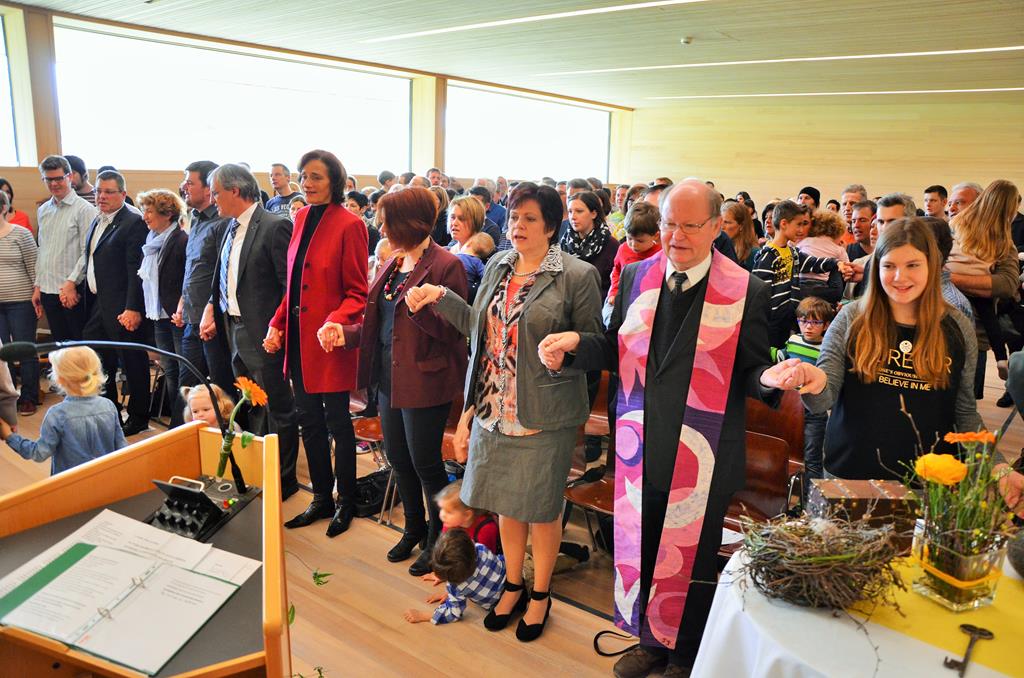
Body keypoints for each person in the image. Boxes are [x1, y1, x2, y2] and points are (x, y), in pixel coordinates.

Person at [545, 180, 813, 675]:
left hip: (704, 452)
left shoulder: (746, 290)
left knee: (694, 562)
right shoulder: (636, 276)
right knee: (644, 545)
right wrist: (575, 346)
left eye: (691, 225)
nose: (677, 235)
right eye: (670, 223)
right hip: (641, 442)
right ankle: (650, 641)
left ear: (715, 227)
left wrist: (772, 379)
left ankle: (685, 654)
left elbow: (750, 370)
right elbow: (616, 345)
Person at [405, 181, 603, 643]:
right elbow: (478, 329)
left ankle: (541, 594)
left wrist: (571, 347)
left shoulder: (577, 275)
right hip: (495, 409)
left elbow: (597, 344)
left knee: (542, 510)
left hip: (544, 415)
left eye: (530, 218)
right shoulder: (498, 264)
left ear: (551, 226)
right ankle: (513, 585)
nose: (518, 226)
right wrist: (439, 296)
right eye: (514, 217)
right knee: (508, 506)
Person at [328, 187, 466, 569]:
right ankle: (413, 527)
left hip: (425, 380)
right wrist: (346, 334)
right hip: (389, 376)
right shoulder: (393, 262)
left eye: (387, 221)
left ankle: (438, 539)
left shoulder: (446, 265)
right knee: (398, 459)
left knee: (425, 464)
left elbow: (455, 331)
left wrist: (423, 309)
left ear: (410, 223)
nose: (382, 227)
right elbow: (378, 323)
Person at [802, 217, 982, 480]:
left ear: (932, 265)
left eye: (913, 265)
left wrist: (997, 467)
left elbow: (965, 412)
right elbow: (821, 403)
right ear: (877, 267)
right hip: (849, 474)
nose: (900, 277)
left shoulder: (958, 327)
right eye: (889, 266)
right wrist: (814, 382)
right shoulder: (851, 318)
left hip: (927, 483)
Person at [265, 151, 367, 532]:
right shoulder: (301, 217)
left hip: (329, 341)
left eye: (316, 177)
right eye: (304, 175)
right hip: (299, 339)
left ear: (334, 181)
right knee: (308, 420)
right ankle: (321, 498)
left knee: (338, 422)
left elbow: (358, 293)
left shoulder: (350, 224)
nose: (307, 183)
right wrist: (276, 324)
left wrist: (334, 321)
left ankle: (347, 501)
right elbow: (293, 285)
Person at [200, 163, 301, 500]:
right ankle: (260, 470)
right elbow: (225, 278)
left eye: (216, 193)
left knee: (277, 407)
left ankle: (283, 480)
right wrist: (213, 309)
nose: (212, 199)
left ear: (234, 190)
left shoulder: (274, 226)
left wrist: (278, 327)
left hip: (263, 332)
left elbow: (289, 287)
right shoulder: (227, 228)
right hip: (233, 328)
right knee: (250, 403)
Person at [68, 170, 152, 436]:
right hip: (98, 303)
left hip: (123, 306)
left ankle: (139, 417)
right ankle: (110, 411)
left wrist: (133, 307)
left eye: (108, 192)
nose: (101, 196)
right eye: (98, 191)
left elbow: (135, 270)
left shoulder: (133, 222)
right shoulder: (98, 219)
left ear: (123, 194)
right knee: (97, 358)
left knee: (132, 362)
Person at [0, 346, 126, 475]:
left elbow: (39, 453)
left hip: (71, 484)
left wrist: (10, 436)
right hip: (106, 480)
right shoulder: (108, 406)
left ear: (59, 379)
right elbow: (122, 448)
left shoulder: (57, 415)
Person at [946, 180, 1019, 384]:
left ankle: (1001, 357)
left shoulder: (958, 225)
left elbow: (1007, 285)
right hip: (948, 325)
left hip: (973, 335)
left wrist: (950, 278)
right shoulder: (1001, 235)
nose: (952, 208)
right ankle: (1001, 357)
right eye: (951, 203)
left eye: (959, 202)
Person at [752, 200, 847, 347]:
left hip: (787, 319)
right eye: (798, 224)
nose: (801, 230)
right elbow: (760, 293)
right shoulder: (767, 256)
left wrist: (836, 263)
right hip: (771, 323)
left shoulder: (793, 253)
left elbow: (813, 263)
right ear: (784, 224)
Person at [177, 160, 235, 395]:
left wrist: (212, 313)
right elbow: (193, 267)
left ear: (208, 188)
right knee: (186, 389)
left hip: (213, 322)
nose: (184, 187)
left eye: (190, 183)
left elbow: (225, 273)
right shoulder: (196, 218)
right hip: (192, 317)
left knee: (222, 390)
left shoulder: (223, 222)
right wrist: (182, 301)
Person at [771, 296, 835, 492]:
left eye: (815, 322)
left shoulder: (828, 348)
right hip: (787, 406)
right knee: (777, 449)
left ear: (826, 325)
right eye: (803, 321)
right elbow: (781, 356)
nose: (808, 327)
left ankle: (809, 503)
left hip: (814, 410)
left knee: (812, 458)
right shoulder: (794, 340)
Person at [137, 189, 189, 426]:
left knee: (182, 369)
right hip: (158, 314)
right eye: (144, 211)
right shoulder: (151, 241)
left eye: (149, 211)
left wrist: (181, 307)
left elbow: (188, 279)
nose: (144, 216)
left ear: (167, 214)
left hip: (177, 315)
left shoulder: (181, 239)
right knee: (169, 368)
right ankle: (176, 421)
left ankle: (182, 422)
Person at [35, 155, 96, 343]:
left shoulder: (85, 209)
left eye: (58, 178)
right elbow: (42, 250)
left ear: (69, 177)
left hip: (72, 289)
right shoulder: (43, 210)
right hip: (48, 289)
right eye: (48, 179)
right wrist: (38, 286)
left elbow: (88, 252)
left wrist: (71, 283)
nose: (54, 184)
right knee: (60, 347)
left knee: (79, 347)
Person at [402, 529, 505, 625]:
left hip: (498, 604)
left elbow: (453, 613)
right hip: (509, 577)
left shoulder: (456, 587)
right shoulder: (480, 548)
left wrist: (424, 616)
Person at [0, 190, 39, 415]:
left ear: (4, 208)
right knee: (2, 353)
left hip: (21, 301)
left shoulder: (21, 234)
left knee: (25, 350)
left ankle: (29, 397)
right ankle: (8, 396)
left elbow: (34, 266)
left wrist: (37, 293)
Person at [607, 201, 661, 314]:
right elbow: (616, 272)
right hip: (625, 299)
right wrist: (614, 292)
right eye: (629, 238)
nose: (633, 245)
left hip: (650, 303)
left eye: (640, 241)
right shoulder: (623, 249)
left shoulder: (660, 253)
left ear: (655, 236)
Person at [562, 190, 617, 300]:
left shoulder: (610, 244)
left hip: (598, 303)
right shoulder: (564, 242)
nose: (573, 217)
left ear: (593, 214)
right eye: (570, 211)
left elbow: (614, 284)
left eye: (579, 211)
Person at [434, 479, 500, 555]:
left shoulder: (486, 530)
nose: (442, 514)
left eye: (448, 512)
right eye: (441, 508)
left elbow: (486, 558)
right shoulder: (450, 523)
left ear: (467, 515)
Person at [720, 200, 759, 270]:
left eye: (727, 222)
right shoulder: (719, 249)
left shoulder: (754, 254)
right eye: (720, 222)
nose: (721, 227)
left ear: (741, 226)